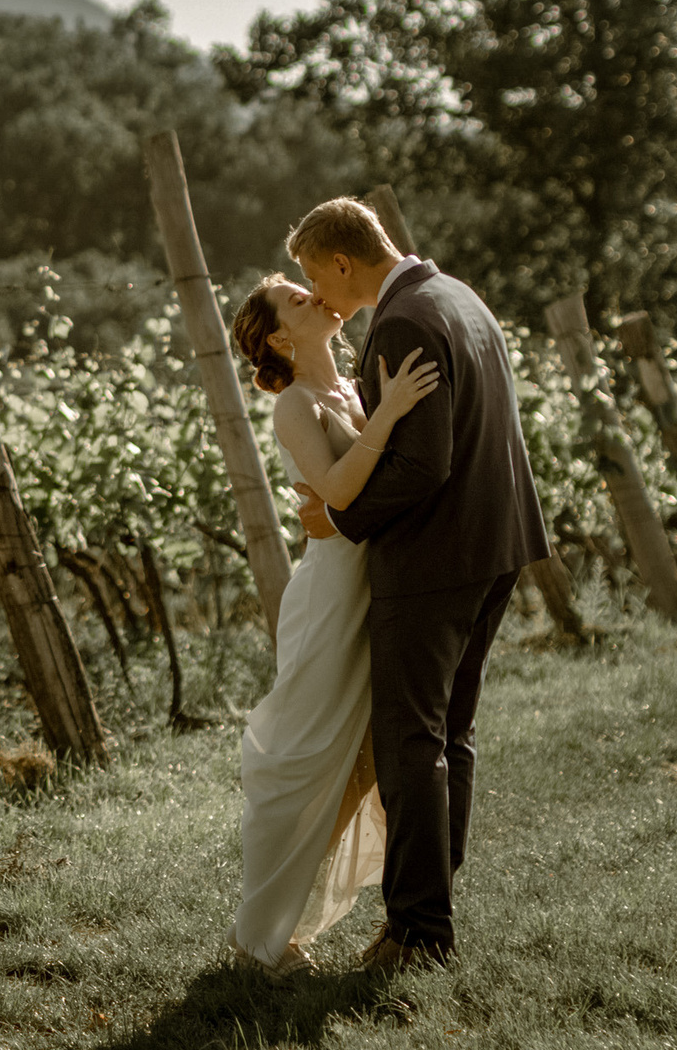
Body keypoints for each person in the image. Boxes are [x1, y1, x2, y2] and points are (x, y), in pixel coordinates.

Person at [285, 198, 548, 974]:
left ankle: (419, 932)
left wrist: (343, 515)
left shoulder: (400, 323)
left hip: (434, 558)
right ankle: (431, 907)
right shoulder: (458, 296)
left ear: (343, 262)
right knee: (448, 730)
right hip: (497, 542)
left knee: (409, 739)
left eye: (316, 277)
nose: (320, 297)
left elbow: (422, 463)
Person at [224, 271, 439, 973]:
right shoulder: (294, 404)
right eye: (295, 297)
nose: (313, 294)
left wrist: (384, 408)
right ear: (280, 337)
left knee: (360, 759)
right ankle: (258, 937)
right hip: (329, 596)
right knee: (300, 758)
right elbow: (341, 491)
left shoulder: (351, 386)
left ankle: (290, 910)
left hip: (374, 587)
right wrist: (392, 410)